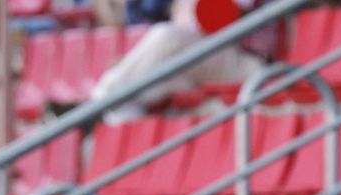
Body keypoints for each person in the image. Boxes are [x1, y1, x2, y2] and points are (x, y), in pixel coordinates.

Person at [90, 0, 274, 123]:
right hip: (206, 59)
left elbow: (222, 16)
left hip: (248, 61)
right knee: (140, 93)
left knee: (166, 36)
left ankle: (108, 92)